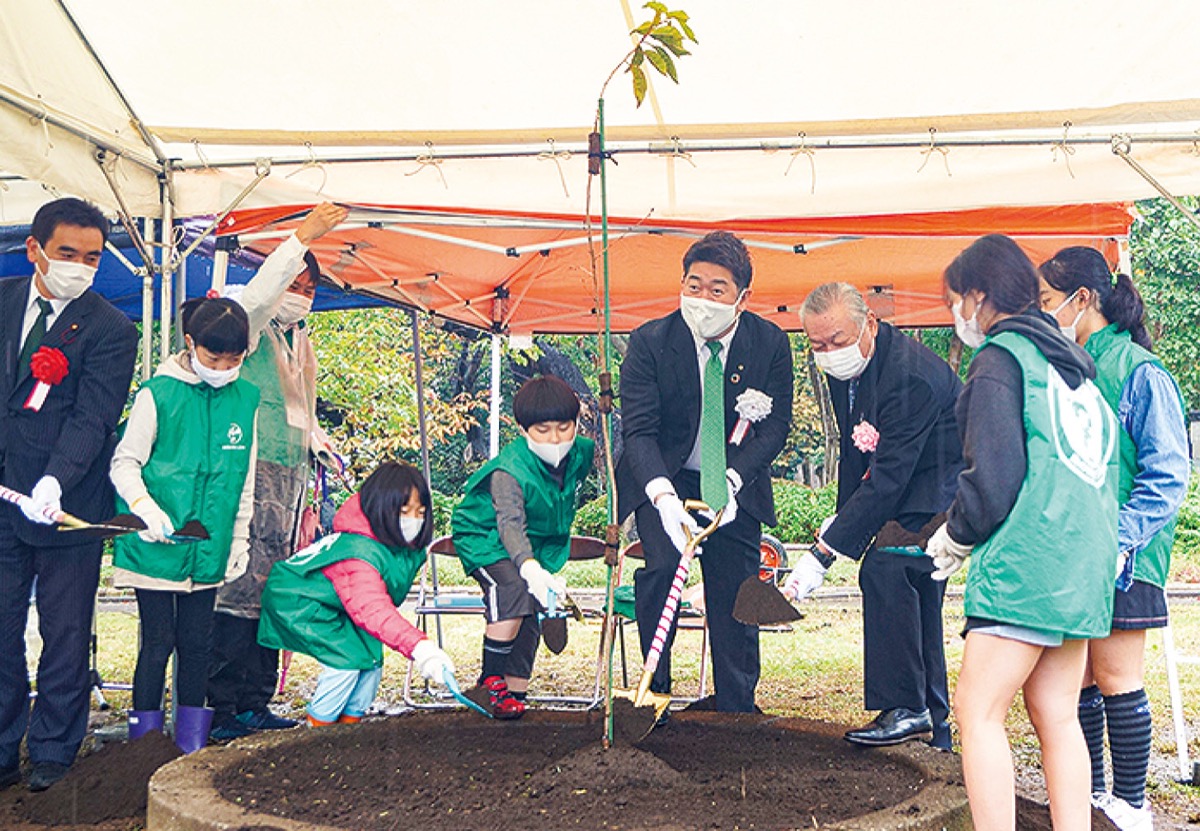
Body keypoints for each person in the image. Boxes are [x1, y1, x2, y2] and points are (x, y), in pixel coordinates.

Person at [930, 234, 1120, 831]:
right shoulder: (1073, 366)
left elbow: (994, 473)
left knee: (978, 710)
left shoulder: (1000, 360)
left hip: (1028, 564)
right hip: (1083, 564)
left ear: (979, 296)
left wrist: (957, 535)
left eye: (957, 300)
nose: (956, 315)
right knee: (1057, 714)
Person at [1039, 247, 1189, 831]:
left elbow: (1168, 473)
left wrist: (1118, 538)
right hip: (1073, 552)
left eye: (1049, 302)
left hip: (1127, 556)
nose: (1042, 312)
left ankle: (1130, 806)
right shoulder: (1061, 369)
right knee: (1074, 680)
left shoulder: (1141, 371)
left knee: (1117, 677)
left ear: (1084, 300)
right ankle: (1092, 795)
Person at [616, 231, 793, 714]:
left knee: (737, 585)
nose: (703, 298)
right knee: (661, 570)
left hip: (735, 479)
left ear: (742, 297)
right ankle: (654, 695)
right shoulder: (652, 342)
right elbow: (639, 430)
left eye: (717, 289)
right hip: (666, 479)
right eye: (694, 285)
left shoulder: (769, 343)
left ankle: (737, 704)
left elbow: (776, 427)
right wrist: (662, 497)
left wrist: (733, 480)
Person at [0, 197, 138, 791]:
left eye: (92, 256)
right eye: (67, 254)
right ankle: (4, 746)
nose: (80, 266)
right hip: (3, 498)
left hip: (69, 504)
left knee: (65, 629)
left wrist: (55, 479)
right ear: (34, 249)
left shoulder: (111, 327)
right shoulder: (3, 301)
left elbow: (94, 417)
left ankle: (54, 750)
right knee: (2, 627)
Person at [788, 282, 962, 750]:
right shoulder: (853, 367)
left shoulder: (909, 376)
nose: (829, 353)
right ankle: (934, 726)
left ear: (871, 324)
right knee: (915, 592)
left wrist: (823, 553)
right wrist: (842, 520)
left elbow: (888, 479)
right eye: (818, 345)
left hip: (941, 490)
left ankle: (909, 707)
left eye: (838, 341)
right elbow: (854, 453)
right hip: (906, 485)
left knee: (889, 570)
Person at [208, 202, 348, 741]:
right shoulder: (246, 328)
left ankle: (254, 699)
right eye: (297, 283)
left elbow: (300, 408)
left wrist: (315, 440)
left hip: (292, 483)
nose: (303, 295)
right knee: (235, 588)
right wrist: (300, 239)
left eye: (312, 288)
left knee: (273, 591)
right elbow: (257, 301)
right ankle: (220, 707)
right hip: (249, 473)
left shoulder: (300, 338)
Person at [110, 296, 259, 754]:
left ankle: (189, 750)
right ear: (190, 344)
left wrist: (240, 537)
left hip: (208, 545)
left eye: (235, 359)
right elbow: (125, 462)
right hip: (155, 543)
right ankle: (144, 749)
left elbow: (245, 478)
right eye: (215, 357)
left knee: (198, 644)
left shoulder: (246, 398)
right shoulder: (158, 394)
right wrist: (143, 506)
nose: (224, 367)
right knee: (158, 643)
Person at [258, 461, 456, 726]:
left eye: (420, 512)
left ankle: (349, 730)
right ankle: (318, 731)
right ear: (381, 507)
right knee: (347, 661)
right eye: (404, 510)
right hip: (302, 603)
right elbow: (372, 610)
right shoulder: (358, 553)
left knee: (372, 661)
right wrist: (422, 648)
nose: (414, 520)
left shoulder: (398, 545)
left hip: (338, 605)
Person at [450, 375, 595, 718]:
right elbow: (509, 524)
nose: (556, 438)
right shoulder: (509, 471)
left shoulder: (582, 453)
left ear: (577, 423)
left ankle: (514, 690)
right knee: (514, 586)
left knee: (531, 602)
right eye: (543, 430)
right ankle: (490, 682)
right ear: (522, 428)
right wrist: (528, 566)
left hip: (537, 541)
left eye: (564, 427)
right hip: (486, 536)